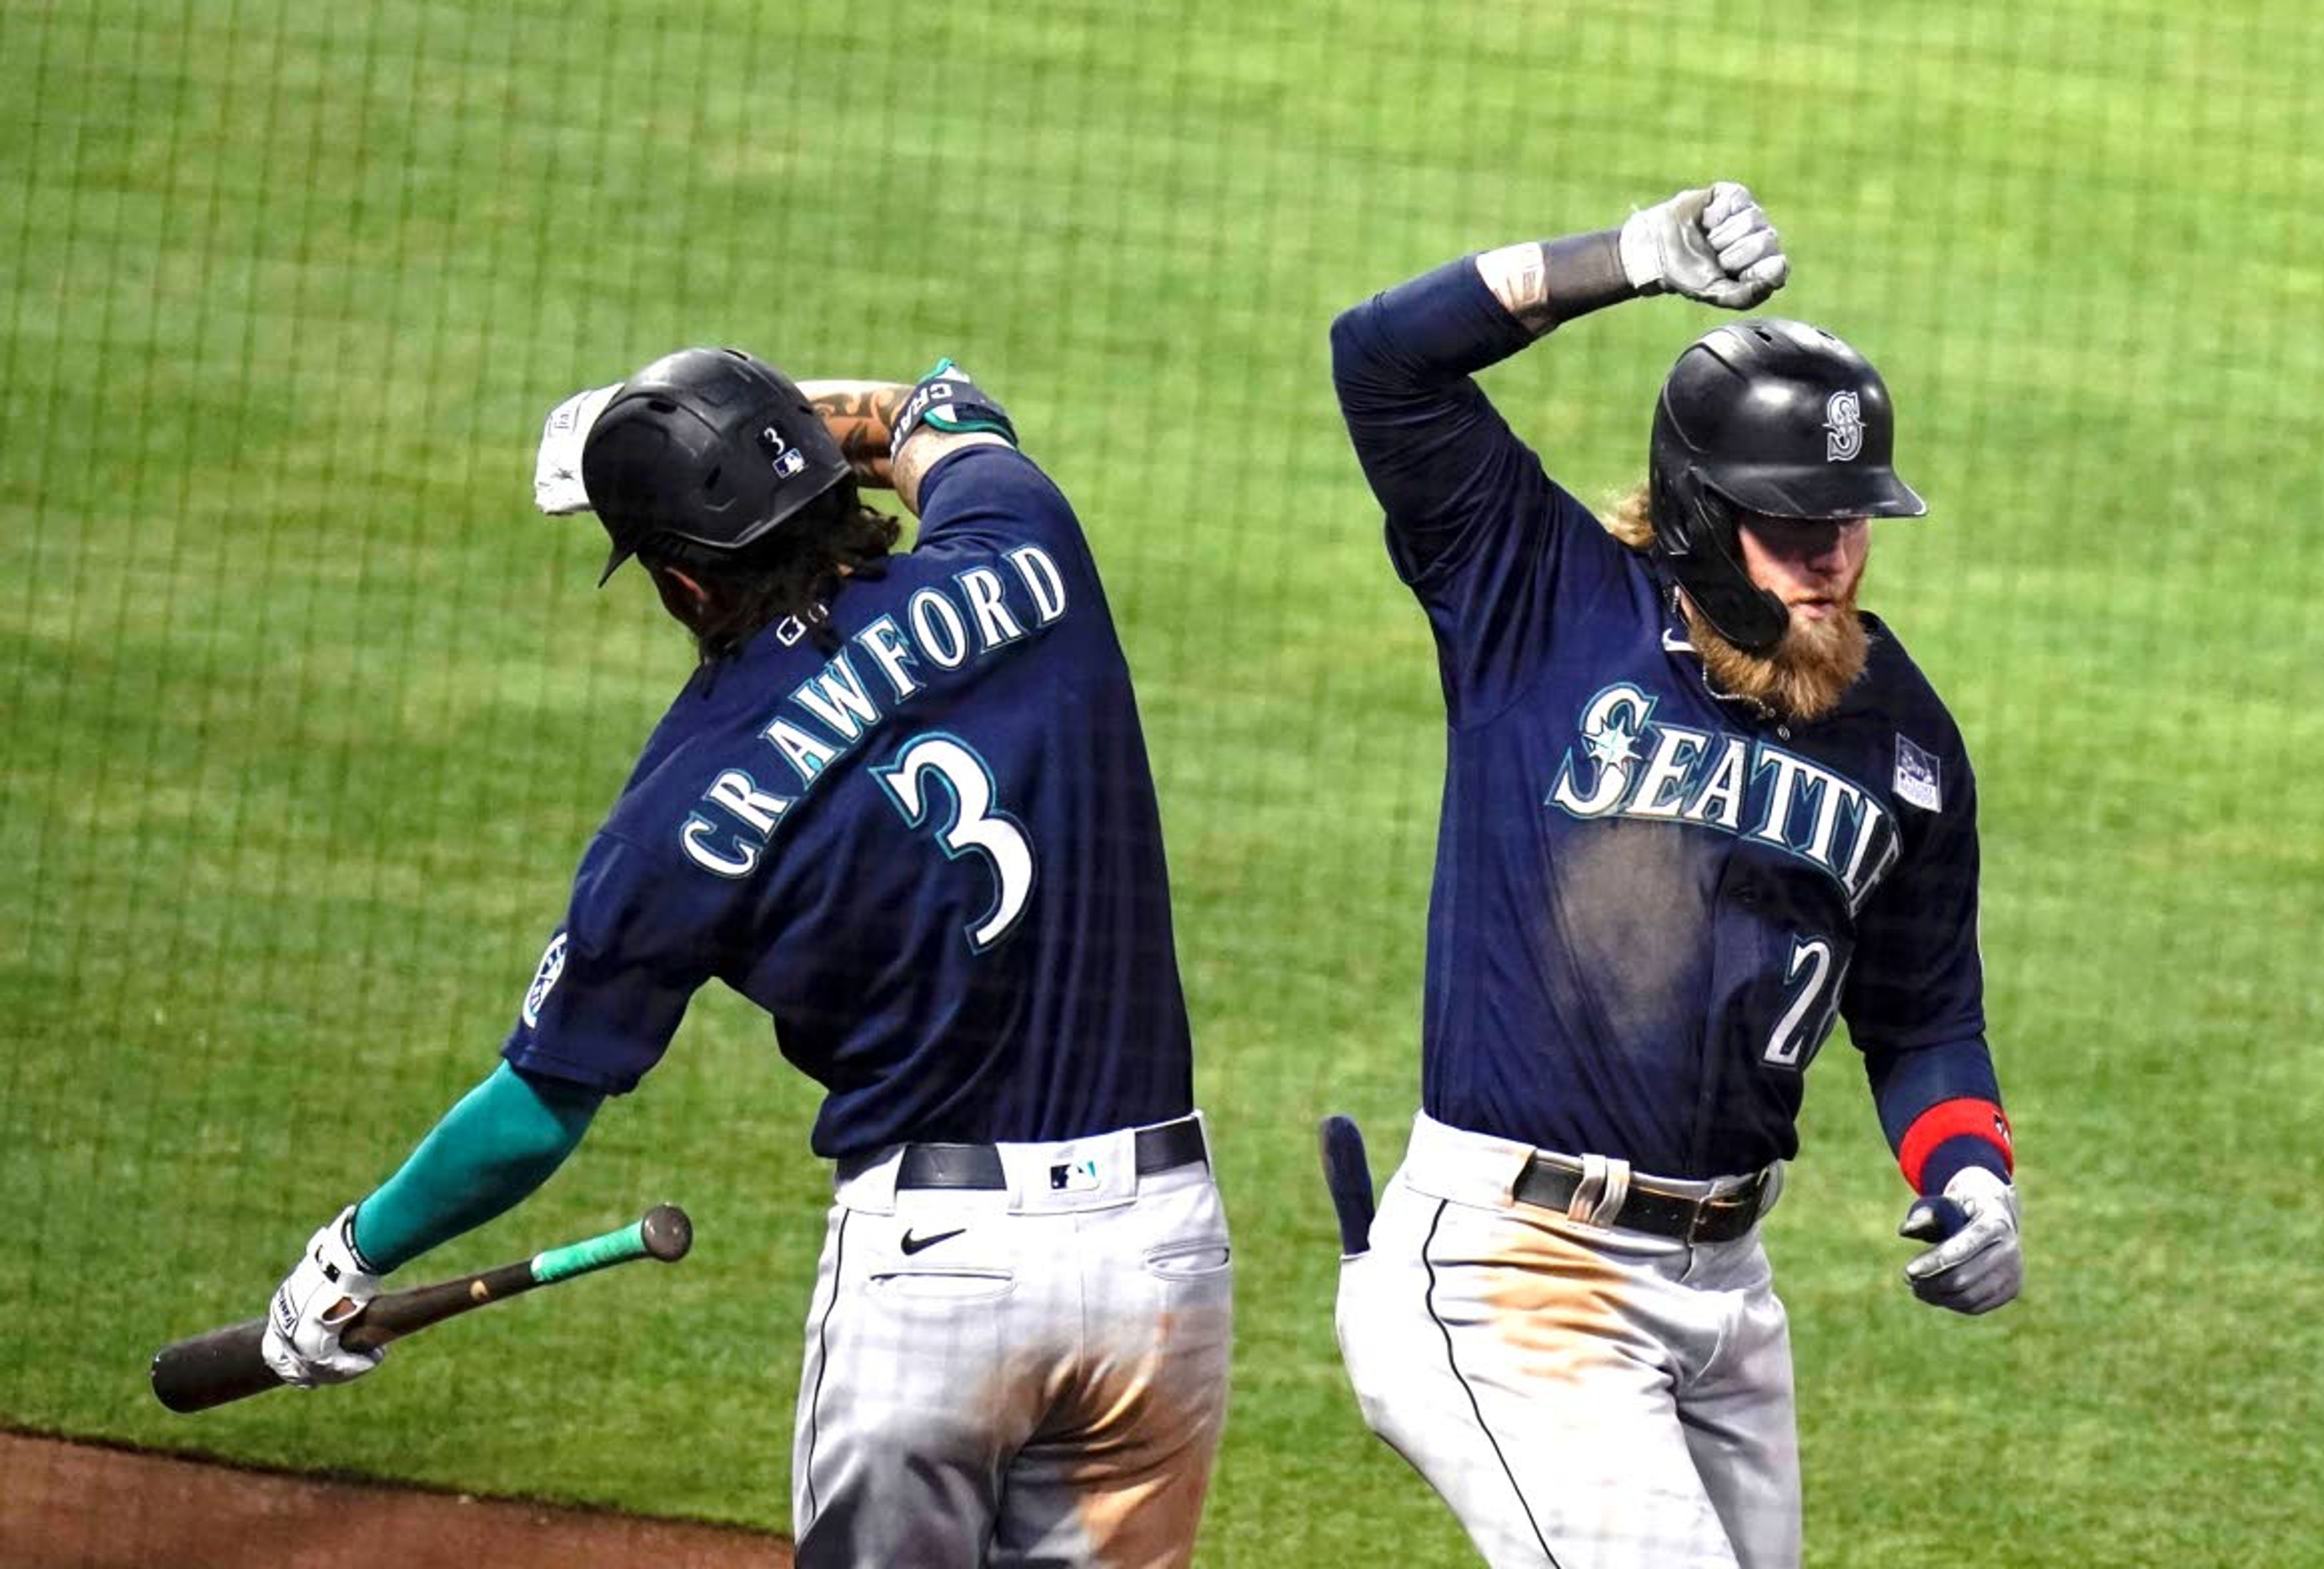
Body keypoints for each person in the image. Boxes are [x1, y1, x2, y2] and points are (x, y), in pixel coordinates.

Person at [260, 350, 1233, 1568]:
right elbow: (941, 401)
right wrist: (790, 432)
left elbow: (536, 1106)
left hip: (940, 1285)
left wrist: (355, 1253)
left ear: (678, 582)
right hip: (1164, 1260)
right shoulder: (1021, 543)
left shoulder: (674, 811)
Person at [1322, 182, 2023, 1568]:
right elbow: (1380, 354)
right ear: (1702, 513)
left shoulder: (1906, 736)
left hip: (1725, 1297)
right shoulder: (1539, 599)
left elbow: (1926, 1013)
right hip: (1517, 1269)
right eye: (1793, 522)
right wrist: (1628, 259)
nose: (1832, 555)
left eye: (1851, 518)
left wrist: (1976, 1172)